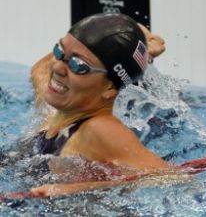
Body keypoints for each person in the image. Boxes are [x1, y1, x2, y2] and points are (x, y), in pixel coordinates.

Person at [26, 13, 171, 197]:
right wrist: (137, 46)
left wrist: (74, 189)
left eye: (78, 65)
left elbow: (173, 178)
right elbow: (39, 71)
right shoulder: (58, 114)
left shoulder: (99, 128)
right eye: (59, 51)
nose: (56, 68)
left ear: (110, 87)